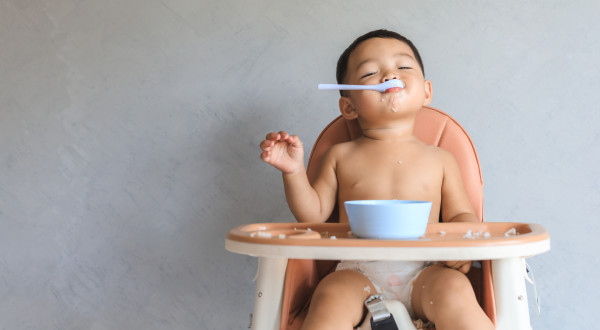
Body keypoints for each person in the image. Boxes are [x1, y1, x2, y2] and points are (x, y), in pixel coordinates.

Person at [259, 29, 494, 330]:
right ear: (349, 107)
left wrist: (462, 246)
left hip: (426, 271)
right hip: (357, 273)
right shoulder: (339, 155)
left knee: (455, 289)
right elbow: (313, 215)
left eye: (403, 67)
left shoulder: (441, 158)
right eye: (370, 72)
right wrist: (293, 171)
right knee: (329, 294)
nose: (389, 75)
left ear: (426, 91)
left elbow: (462, 214)